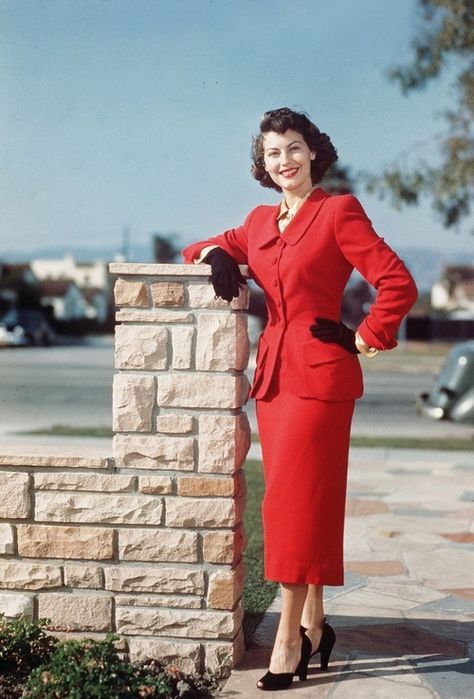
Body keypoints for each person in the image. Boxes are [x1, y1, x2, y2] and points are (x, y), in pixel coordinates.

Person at [182, 107, 418, 691]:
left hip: (322, 380)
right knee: (295, 503)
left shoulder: (339, 211)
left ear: (313, 152)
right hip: (275, 383)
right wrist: (215, 256)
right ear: (261, 165)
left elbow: (398, 282)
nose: (282, 161)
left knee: (294, 504)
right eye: (271, 154)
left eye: (292, 148)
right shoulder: (259, 222)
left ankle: (288, 639)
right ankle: (315, 622)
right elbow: (202, 244)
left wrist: (362, 336)